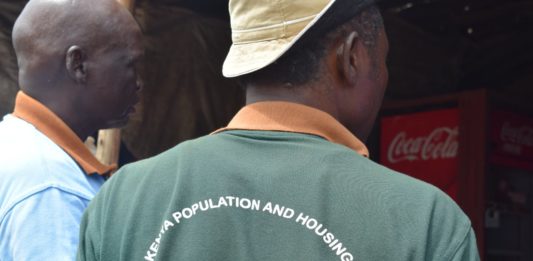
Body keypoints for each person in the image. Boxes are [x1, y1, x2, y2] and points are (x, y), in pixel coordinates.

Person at [78, 0, 480, 260]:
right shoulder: (426, 222)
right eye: (384, 61)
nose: (386, 76)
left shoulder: (120, 200)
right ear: (353, 57)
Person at [0, 0, 143, 259]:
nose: (139, 82)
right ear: (78, 65)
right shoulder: (52, 188)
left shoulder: (13, 142)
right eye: (130, 65)